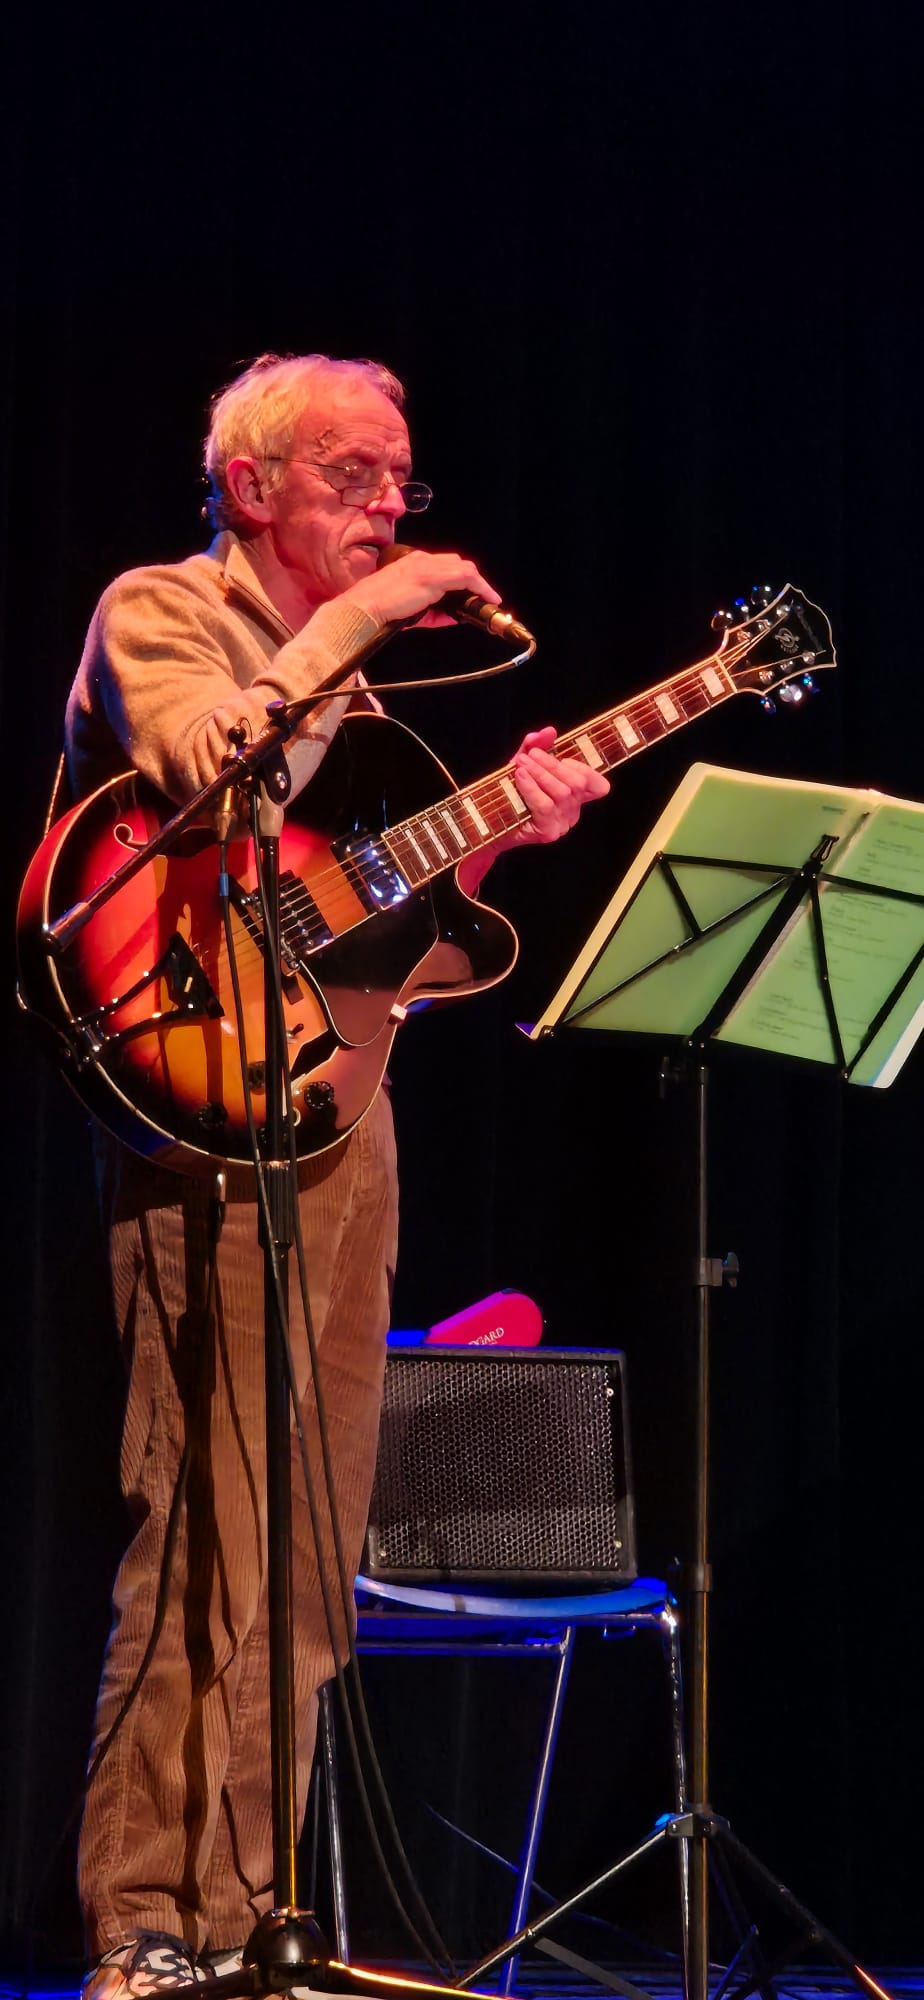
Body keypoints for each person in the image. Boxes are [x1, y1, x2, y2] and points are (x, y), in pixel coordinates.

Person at [63, 352, 610, 2000]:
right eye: (357, 478)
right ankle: (145, 1922)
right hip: (199, 1118)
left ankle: (251, 1925)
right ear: (253, 487)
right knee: (205, 1533)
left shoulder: (356, 691)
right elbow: (204, 782)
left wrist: (508, 830)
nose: (391, 509)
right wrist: (357, 627)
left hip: (338, 1112)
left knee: (309, 1550)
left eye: (402, 483)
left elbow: (371, 921)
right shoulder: (161, 611)